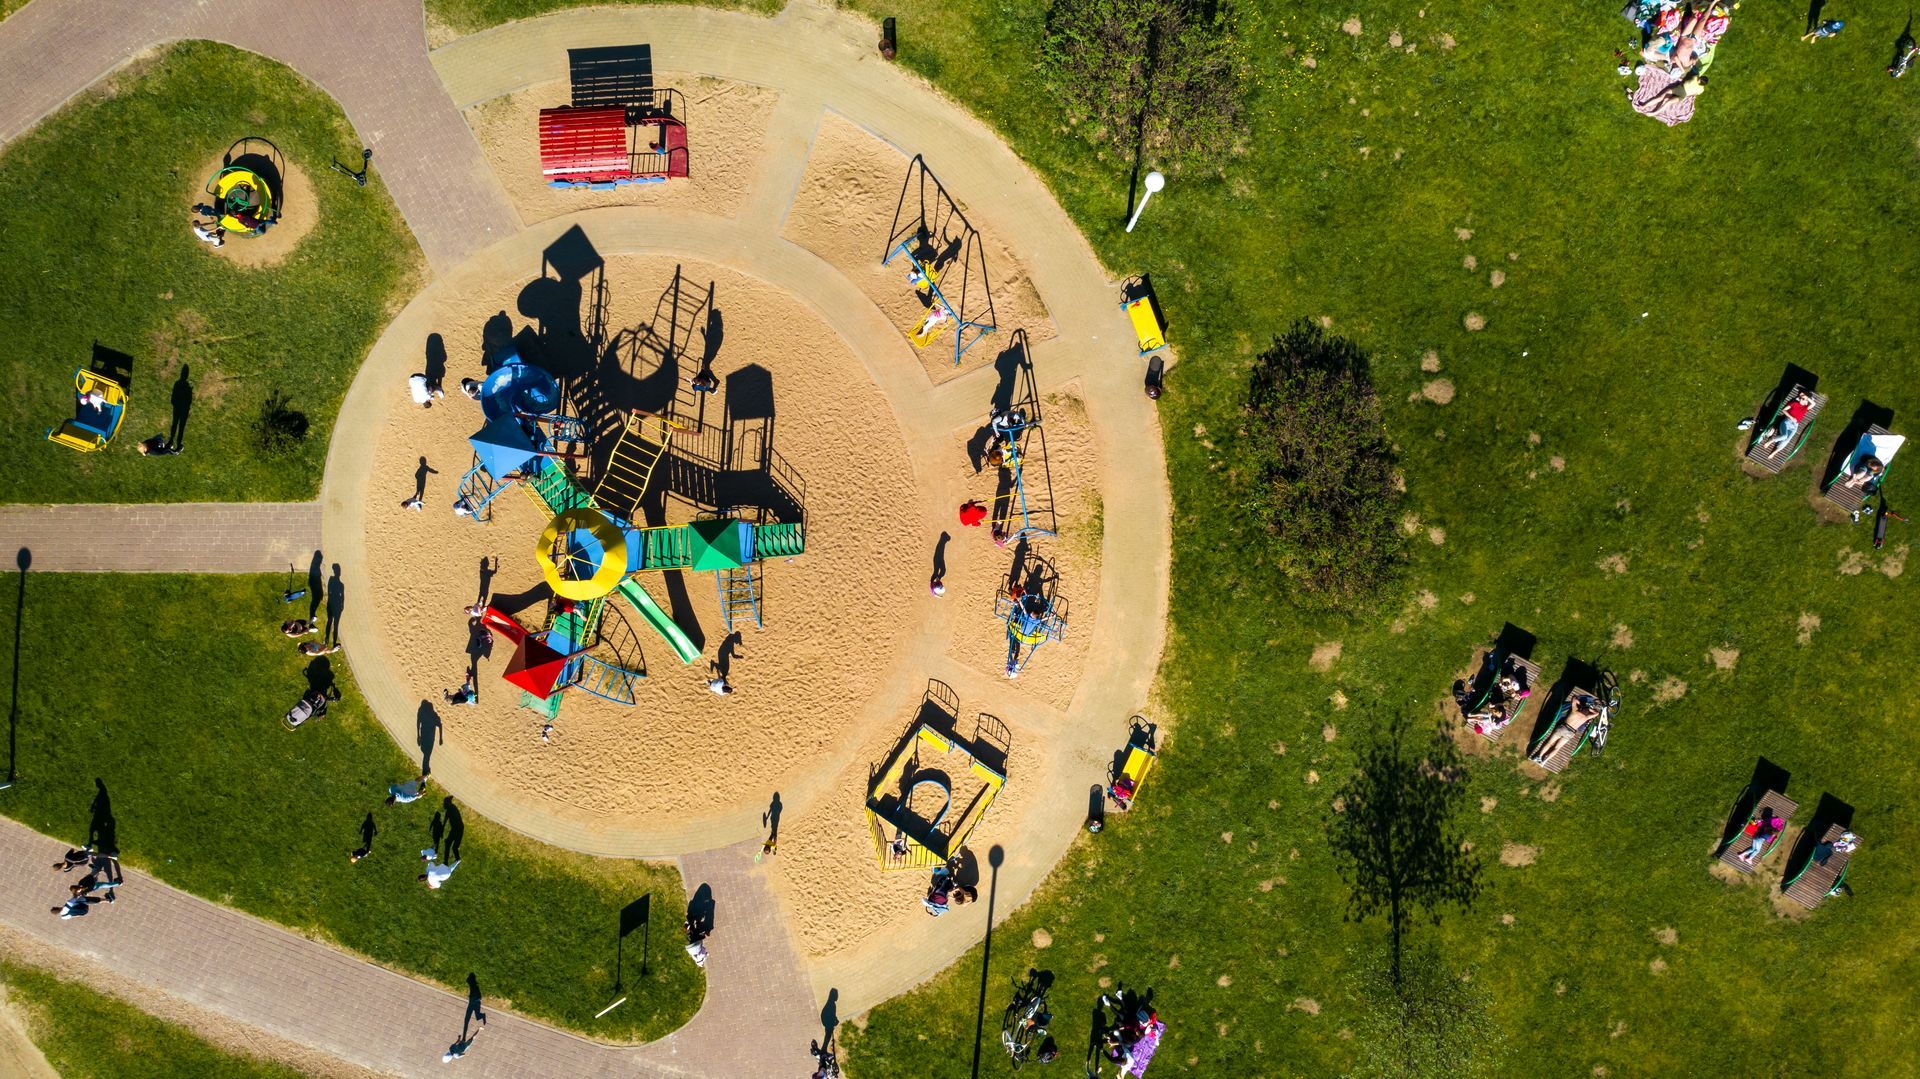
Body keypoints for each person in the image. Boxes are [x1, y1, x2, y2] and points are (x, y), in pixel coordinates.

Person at [1529, 693, 1601, 765]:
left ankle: (1539, 756)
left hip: (1564, 728)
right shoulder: (1586, 717)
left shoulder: (1575, 711)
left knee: (1550, 743)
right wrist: (1590, 709)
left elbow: (1574, 699)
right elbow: (1596, 713)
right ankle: (1544, 761)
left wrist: (1579, 703)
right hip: (1571, 733)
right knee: (1557, 748)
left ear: (1582, 708)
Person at [1759, 391, 1815, 455]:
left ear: (1807, 402)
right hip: (1787, 422)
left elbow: (1813, 404)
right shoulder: (1794, 403)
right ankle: (1771, 440)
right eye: (1802, 398)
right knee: (1784, 436)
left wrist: (1807, 398)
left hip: (1795, 426)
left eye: (1805, 400)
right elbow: (1783, 410)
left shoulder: (1806, 408)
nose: (1803, 400)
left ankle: (1775, 452)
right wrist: (1791, 417)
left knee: (1787, 441)